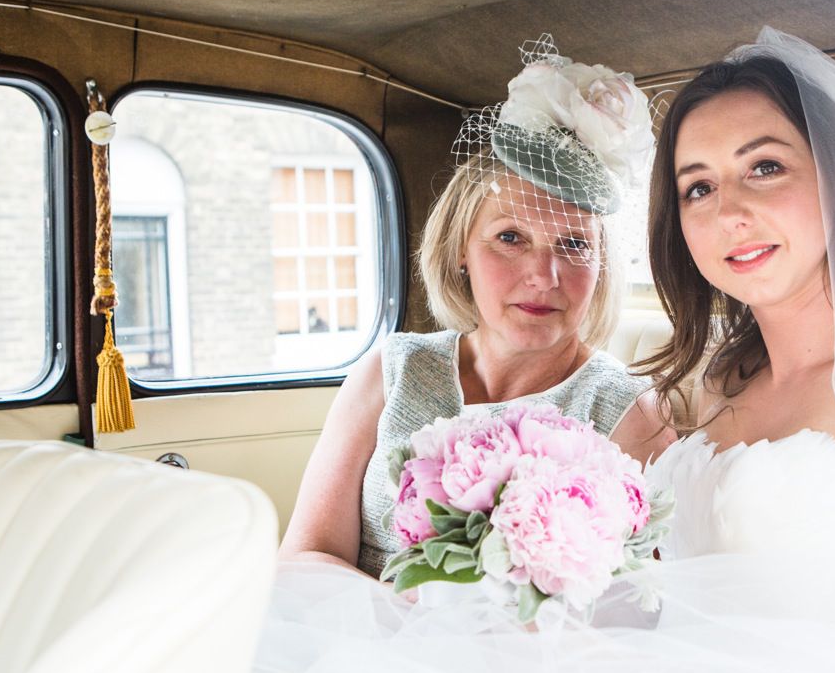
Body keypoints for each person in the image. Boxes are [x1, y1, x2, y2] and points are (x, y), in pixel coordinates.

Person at [192, 30, 835, 673]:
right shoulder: (700, 390)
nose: (728, 209)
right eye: (697, 186)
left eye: (764, 167)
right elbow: (611, 569)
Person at [280, 38, 672, 578]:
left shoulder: (632, 415)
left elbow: (645, 604)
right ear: (461, 250)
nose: (544, 276)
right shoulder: (393, 371)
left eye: (575, 244)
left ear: (603, 263)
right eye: (511, 237)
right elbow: (306, 556)